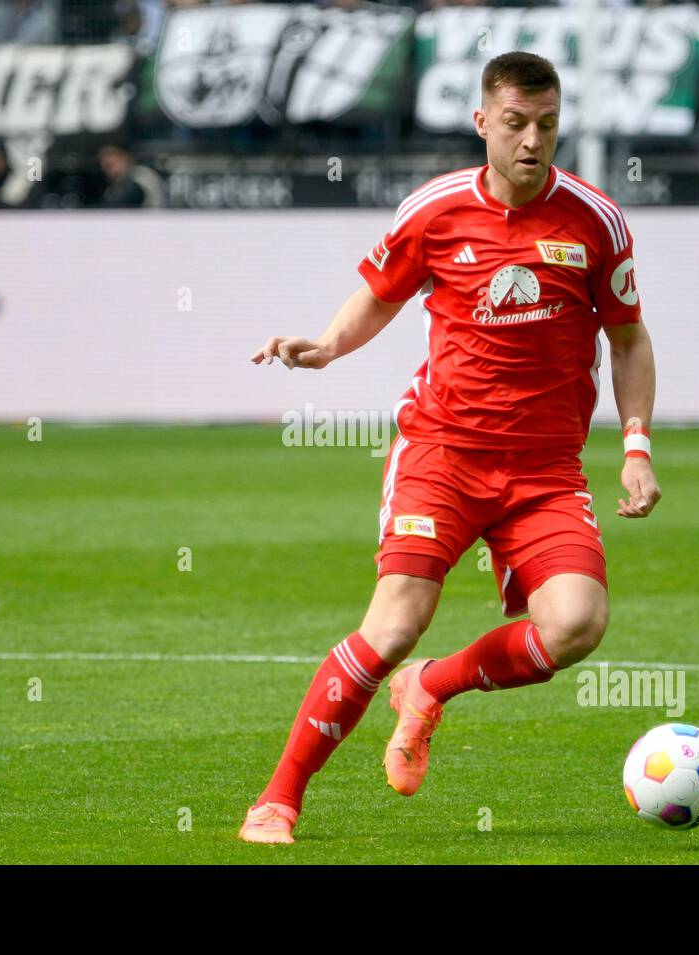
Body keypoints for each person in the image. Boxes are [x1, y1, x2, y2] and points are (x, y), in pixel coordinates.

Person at [241, 51, 661, 844]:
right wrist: (325, 347)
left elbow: (631, 341)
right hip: (443, 452)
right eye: (515, 123)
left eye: (547, 124)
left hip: (544, 471)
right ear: (482, 123)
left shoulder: (596, 220)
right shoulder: (434, 210)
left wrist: (635, 445)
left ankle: (431, 686)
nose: (533, 140)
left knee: (577, 622)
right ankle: (278, 798)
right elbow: (380, 293)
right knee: (396, 620)